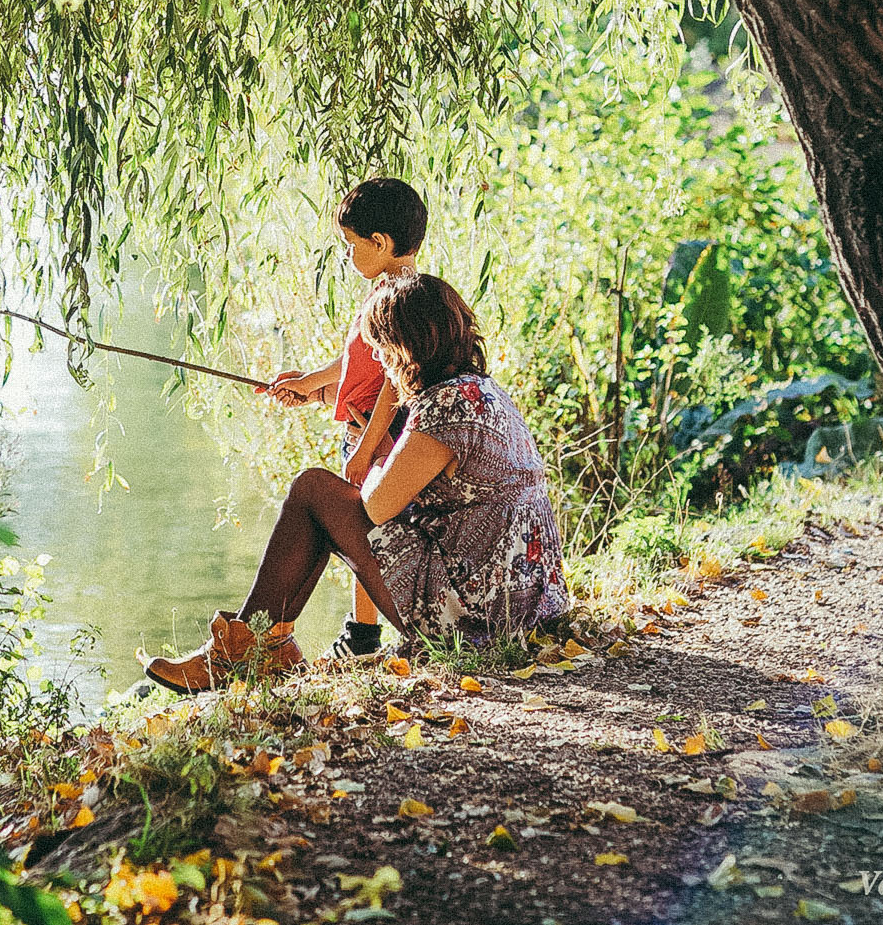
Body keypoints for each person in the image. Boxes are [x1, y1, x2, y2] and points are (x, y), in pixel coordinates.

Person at [145, 273, 568, 693]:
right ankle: (259, 647)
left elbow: (376, 508)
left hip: (477, 618)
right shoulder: (481, 391)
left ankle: (242, 654)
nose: (381, 363)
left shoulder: (442, 409)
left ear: (407, 349)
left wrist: (378, 454)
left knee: (313, 489)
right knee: (322, 500)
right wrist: (319, 396)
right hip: (528, 604)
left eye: (382, 350)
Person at [263, 177, 425, 659]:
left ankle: (363, 635)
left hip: (380, 440)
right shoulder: (386, 293)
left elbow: (395, 383)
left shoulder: (397, 300)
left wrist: (369, 444)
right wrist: (309, 386)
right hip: (364, 433)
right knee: (360, 530)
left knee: (365, 531)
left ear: (380, 243)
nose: (348, 254)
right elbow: (354, 365)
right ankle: (363, 633)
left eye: (352, 244)